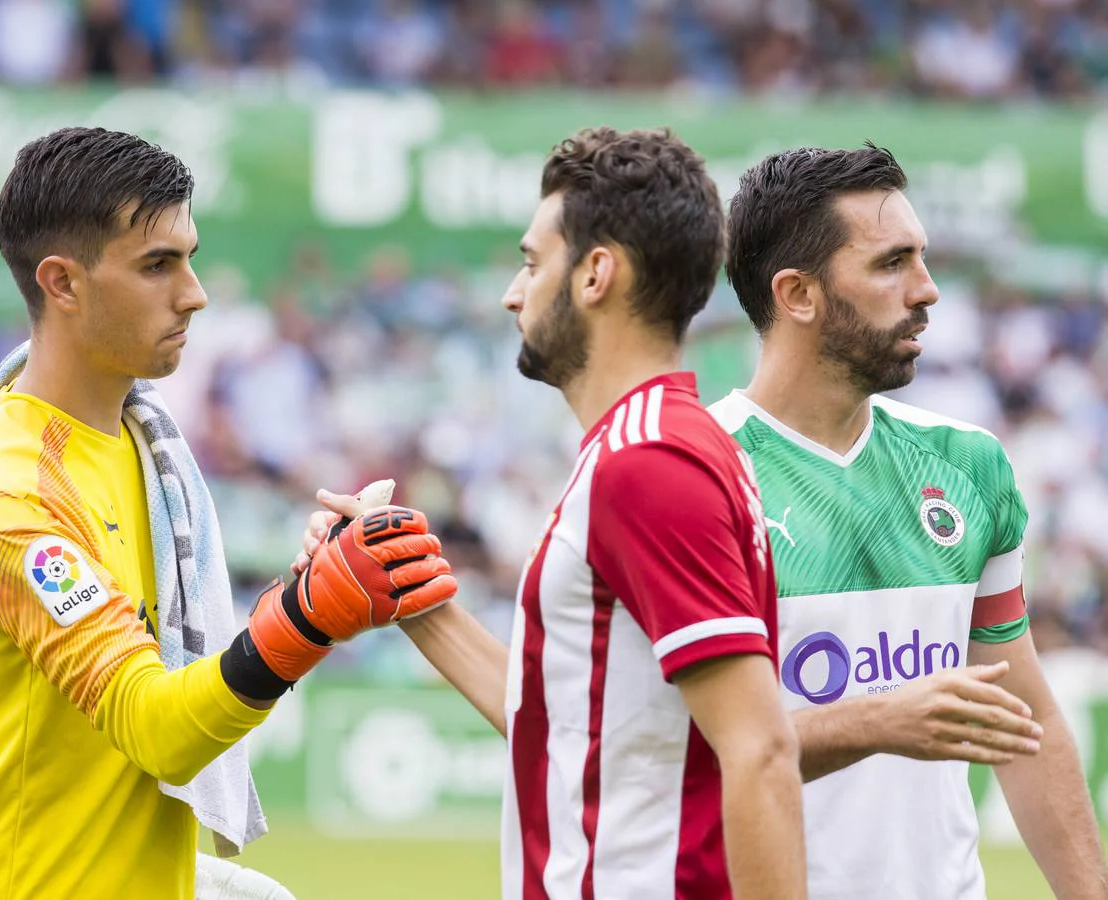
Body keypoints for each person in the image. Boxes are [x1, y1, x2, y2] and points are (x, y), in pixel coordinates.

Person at [0, 127, 457, 899]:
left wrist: (299, 591)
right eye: (158, 265)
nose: (194, 291)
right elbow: (158, 731)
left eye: (190, 257)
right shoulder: (6, 492)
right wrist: (307, 617)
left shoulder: (143, 443)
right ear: (62, 284)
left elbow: (179, 671)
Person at [310, 127, 806, 900]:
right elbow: (567, 726)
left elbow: (761, 750)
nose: (514, 291)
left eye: (533, 262)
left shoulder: (648, 464)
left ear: (596, 274)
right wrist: (400, 583)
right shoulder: (654, 446)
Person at [708, 144, 1108, 899]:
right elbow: (664, 752)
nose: (927, 291)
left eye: (922, 260)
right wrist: (877, 719)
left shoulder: (968, 465)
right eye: (892, 264)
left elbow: (1023, 723)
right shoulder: (694, 478)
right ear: (798, 293)